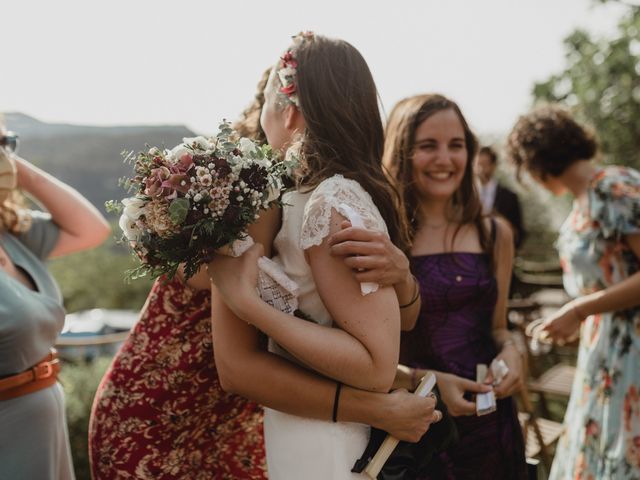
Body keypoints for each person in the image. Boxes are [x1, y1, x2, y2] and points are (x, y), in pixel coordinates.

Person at [89, 62, 438, 479]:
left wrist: (402, 279)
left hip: (247, 419)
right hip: (162, 407)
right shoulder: (237, 200)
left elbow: (364, 327)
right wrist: (379, 407)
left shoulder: (313, 197)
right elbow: (240, 366)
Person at [207, 33, 440, 479]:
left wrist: (251, 306)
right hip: (298, 428)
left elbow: (374, 366)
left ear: (288, 110)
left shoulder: (331, 203)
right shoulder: (302, 198)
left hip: (331, 447)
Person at [380, 94, 527, 479]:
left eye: (456, 145)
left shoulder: (495, 233)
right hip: (419, 433)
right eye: (428, 146)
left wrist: (513, 351)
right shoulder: (383, 236)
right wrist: (424, 384)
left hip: (493, 425)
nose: (445, 159)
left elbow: (498, 327)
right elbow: (363, 354)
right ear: (401, 153)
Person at [507, 105, 640, 480]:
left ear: (534, 164)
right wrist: (576, 321)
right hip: (604, 356)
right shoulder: (582, 204)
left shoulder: (614, 187)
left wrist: (580, 310)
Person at [0, 122, 111, 480]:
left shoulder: (11, 232)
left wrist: (19, 169)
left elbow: (92, 228)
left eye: (5, 144)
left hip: (42, 429)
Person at [474, 145, 525, 248]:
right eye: (478, 165)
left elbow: (518, 236)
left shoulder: (509, 197)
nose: (480, 169)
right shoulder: (464, 194)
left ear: (494, 166)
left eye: (485, 164)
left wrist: (496, 217)